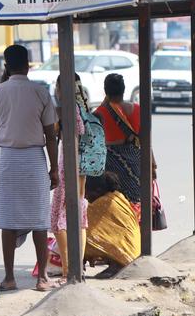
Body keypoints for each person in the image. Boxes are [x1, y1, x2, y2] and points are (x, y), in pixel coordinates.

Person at [0, 44, 59, 292]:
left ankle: (9, 277)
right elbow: (51, 134)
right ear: (28, 64)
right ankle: (42, 278)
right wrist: (54, 168)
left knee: (8, 220)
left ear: (6, 66)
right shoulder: (40, 92)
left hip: (8, 160)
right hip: (34, 159)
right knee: (40, 221)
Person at [50, 75, 91, 282]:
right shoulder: (83, 105)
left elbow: (74, 133)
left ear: (60, 87)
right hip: (82, 165)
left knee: (59, 220)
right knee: (79, 215)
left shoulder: (69, 108)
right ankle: (77, 267)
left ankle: (69, 269)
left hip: (70, 164)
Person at [94, 73, 147, 212]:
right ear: (124, 89)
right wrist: (152, 164)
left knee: (115, 205)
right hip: (135, 162)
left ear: (105, 90)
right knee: (135, 202)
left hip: (111, 165)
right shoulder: (137, 109)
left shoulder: (99, 113)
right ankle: (136, 231)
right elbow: (145, 140)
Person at [84, 171, 141, 277]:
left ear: (98, 190)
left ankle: (118, 264)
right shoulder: (118, 197)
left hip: (126, 253)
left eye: (87, 192)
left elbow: (84, 229)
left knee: (79, 235)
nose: (85, 196)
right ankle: (116, 263)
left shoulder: (102, 203)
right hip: (133, 252)